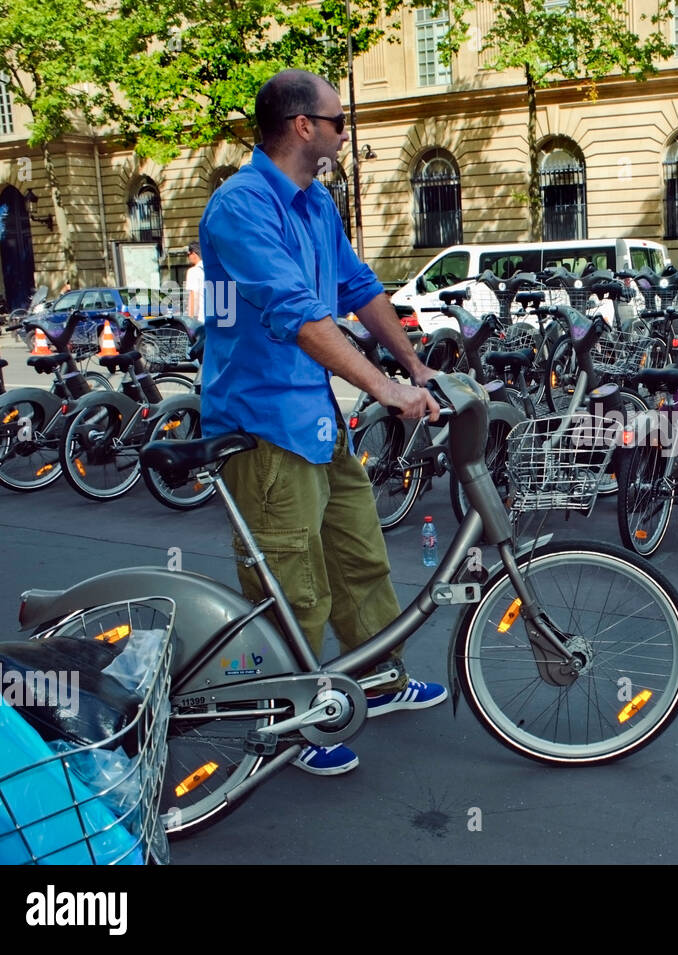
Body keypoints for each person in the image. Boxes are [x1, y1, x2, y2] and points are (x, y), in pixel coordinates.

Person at [199, 68, 447, 777]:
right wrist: (385, 389)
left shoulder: (315, 204)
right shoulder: (240, 208)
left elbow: (359, 289)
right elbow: (301, 319)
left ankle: (377, 677)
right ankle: (287, 720)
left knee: (358, 554)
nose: (346, 133)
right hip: (262, 427)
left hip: (314, 418)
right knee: (291, 584)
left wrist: (415, 365)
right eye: (339, 122)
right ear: (303, 125)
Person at [184, 242, 205, 323]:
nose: (188, 257)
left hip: (202, 318)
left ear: (193, 254)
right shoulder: (211, 270)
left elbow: (193, 297)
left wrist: (191, 320)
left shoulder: (193, 272)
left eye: (188, 254)